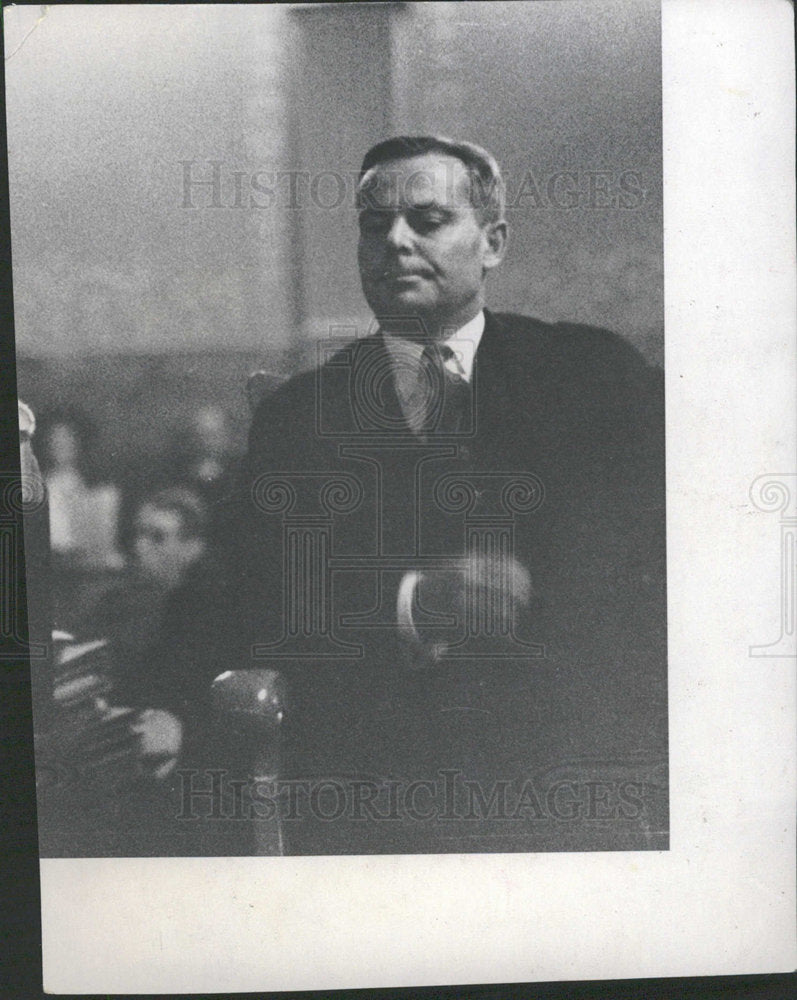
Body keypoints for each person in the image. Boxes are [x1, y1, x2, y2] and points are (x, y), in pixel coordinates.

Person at [160, 136, 668, 854]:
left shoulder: (587, 375)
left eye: (427, 221)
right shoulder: (300, 415)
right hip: (379, 772)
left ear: (491, 242)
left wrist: (529, 602)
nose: (395, 240)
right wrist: (412, 602)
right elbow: (252, 594)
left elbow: (651, 556)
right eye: (375, 226)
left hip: (568, 756)